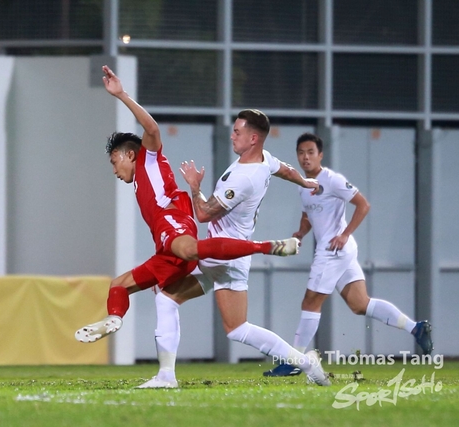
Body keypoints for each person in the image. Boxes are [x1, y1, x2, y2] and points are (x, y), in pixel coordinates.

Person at [74, 66, 299, 345]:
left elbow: (152, 128)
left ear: (129, 154)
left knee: (190, 250)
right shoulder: (139, 180)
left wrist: (121, 95)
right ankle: (116, 320)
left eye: (114, 162)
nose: (114, 170)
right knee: (122, 286)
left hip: (173, 222)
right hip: (165, 245)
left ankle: (267, 247)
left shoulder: (147, 158)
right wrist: (305, 182)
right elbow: (284, 169)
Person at [137, 110, 333, 389]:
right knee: (166, 298)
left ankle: (305, 362)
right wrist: (305, 181)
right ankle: (166, 376)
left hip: (226, 258)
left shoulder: (244, 178)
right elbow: (283, 169)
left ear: (253, 138)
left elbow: (203, 214)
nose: (232, 136)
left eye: (237, 132)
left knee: (237, 329)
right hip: (216, 255)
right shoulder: (263, 160)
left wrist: (194, 187)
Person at [263, 132, 433, 377]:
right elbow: (308, 215)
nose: (305, 157)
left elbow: (363, 205)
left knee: (310, 302)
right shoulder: (303, 185)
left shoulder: (332, 180)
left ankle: (294, 361)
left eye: (310, 152)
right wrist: (301, 232)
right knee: (359, 304)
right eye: (301, 153)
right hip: (338, 250)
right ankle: (416, 328)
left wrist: (344, 234)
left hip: (333, 250)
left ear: (320, 155)